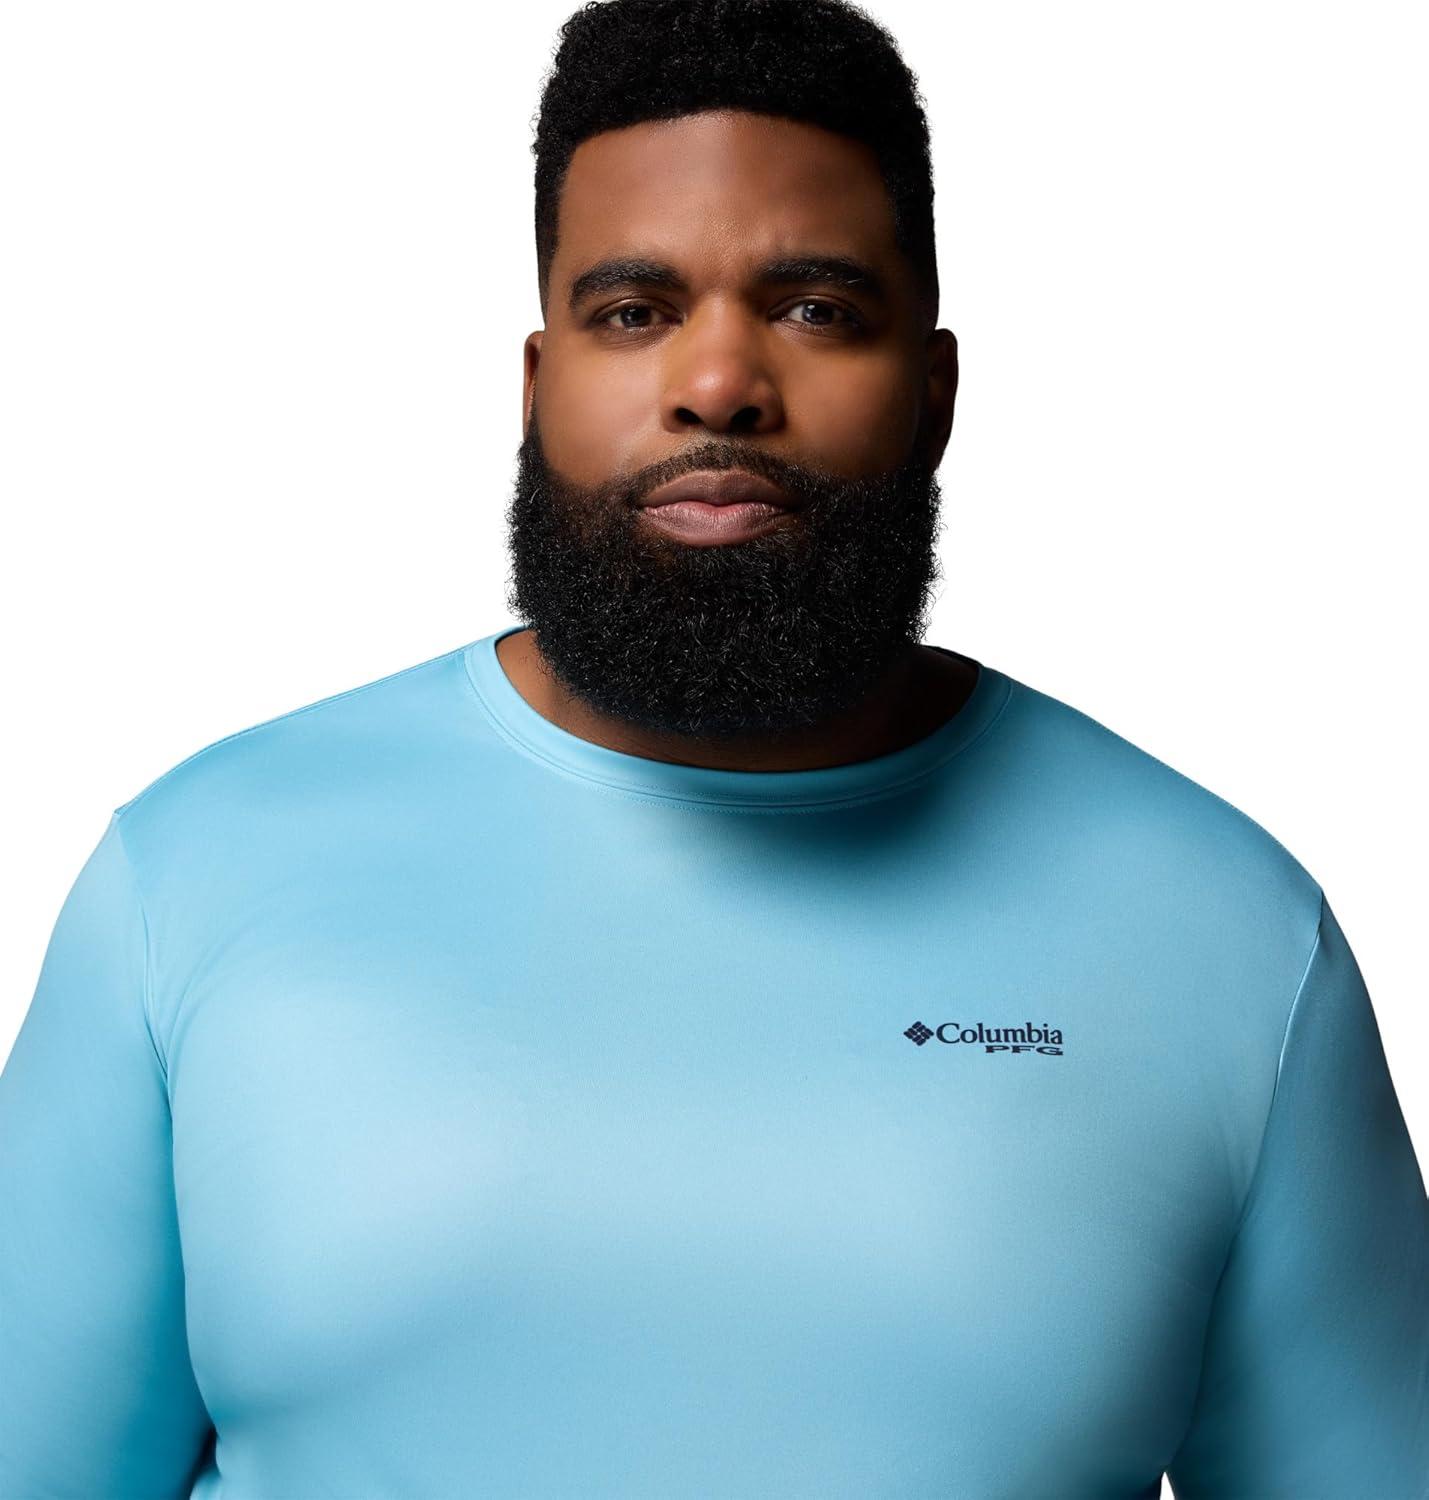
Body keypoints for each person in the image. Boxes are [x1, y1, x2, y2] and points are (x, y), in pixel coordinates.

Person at [2, 0, 1425, 1494]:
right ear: (537, 385)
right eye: (633, 311)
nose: (720, 382)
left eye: (816, 308)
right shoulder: (193, 878)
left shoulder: (1227, 931)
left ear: (936, 392)